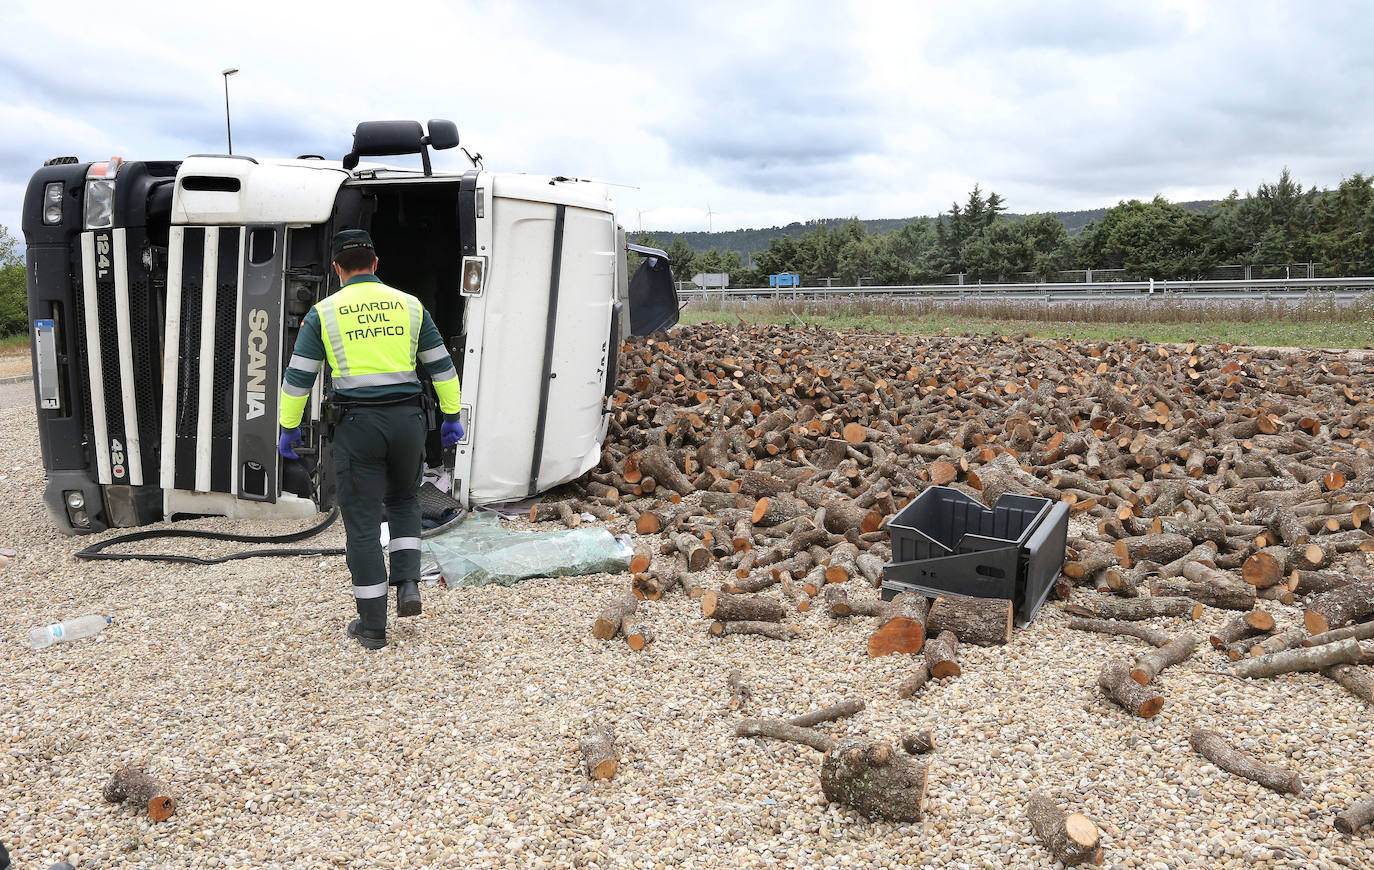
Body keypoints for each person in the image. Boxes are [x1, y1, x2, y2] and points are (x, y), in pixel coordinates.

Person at [277, 229, 464, 650]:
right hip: (408, 424)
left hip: (357, 426)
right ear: (376, 264)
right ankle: (409, 585)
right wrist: (451, 416)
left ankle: (373, 627)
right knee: (404, 501)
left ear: (337, 269)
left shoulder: (323, 313)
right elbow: (442, 368)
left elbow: (298, 379)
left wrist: (289, 428)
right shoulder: (411, 307)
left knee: (362, 522)